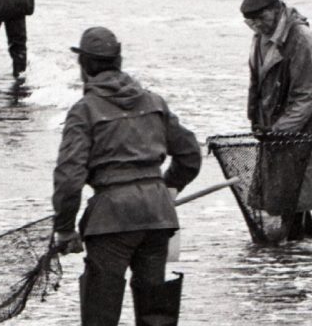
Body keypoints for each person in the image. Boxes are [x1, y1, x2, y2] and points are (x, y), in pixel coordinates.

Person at [53, 27, 202, 326]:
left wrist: (66, 229)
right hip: (157, 216)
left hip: (110, 220)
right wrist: (165, 188)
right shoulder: (154, 102)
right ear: (119, 61)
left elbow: (69, 176)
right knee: (155, 312)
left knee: (101, 313)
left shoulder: (84, 110)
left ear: (84, 67)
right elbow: (190, 155)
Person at [241, 0, 312, 240]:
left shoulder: (300, 38)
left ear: (276, 9)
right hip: (274, 134)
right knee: (285, 201)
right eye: (250, 22)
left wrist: (280, 132)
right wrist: (257, 122)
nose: (257, 26)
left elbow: (307, 95)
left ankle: (297, 253)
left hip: (301, 135)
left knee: (295, 200)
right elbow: (257, 86)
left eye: (261, 19)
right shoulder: (260, 36)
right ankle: (300, 254)